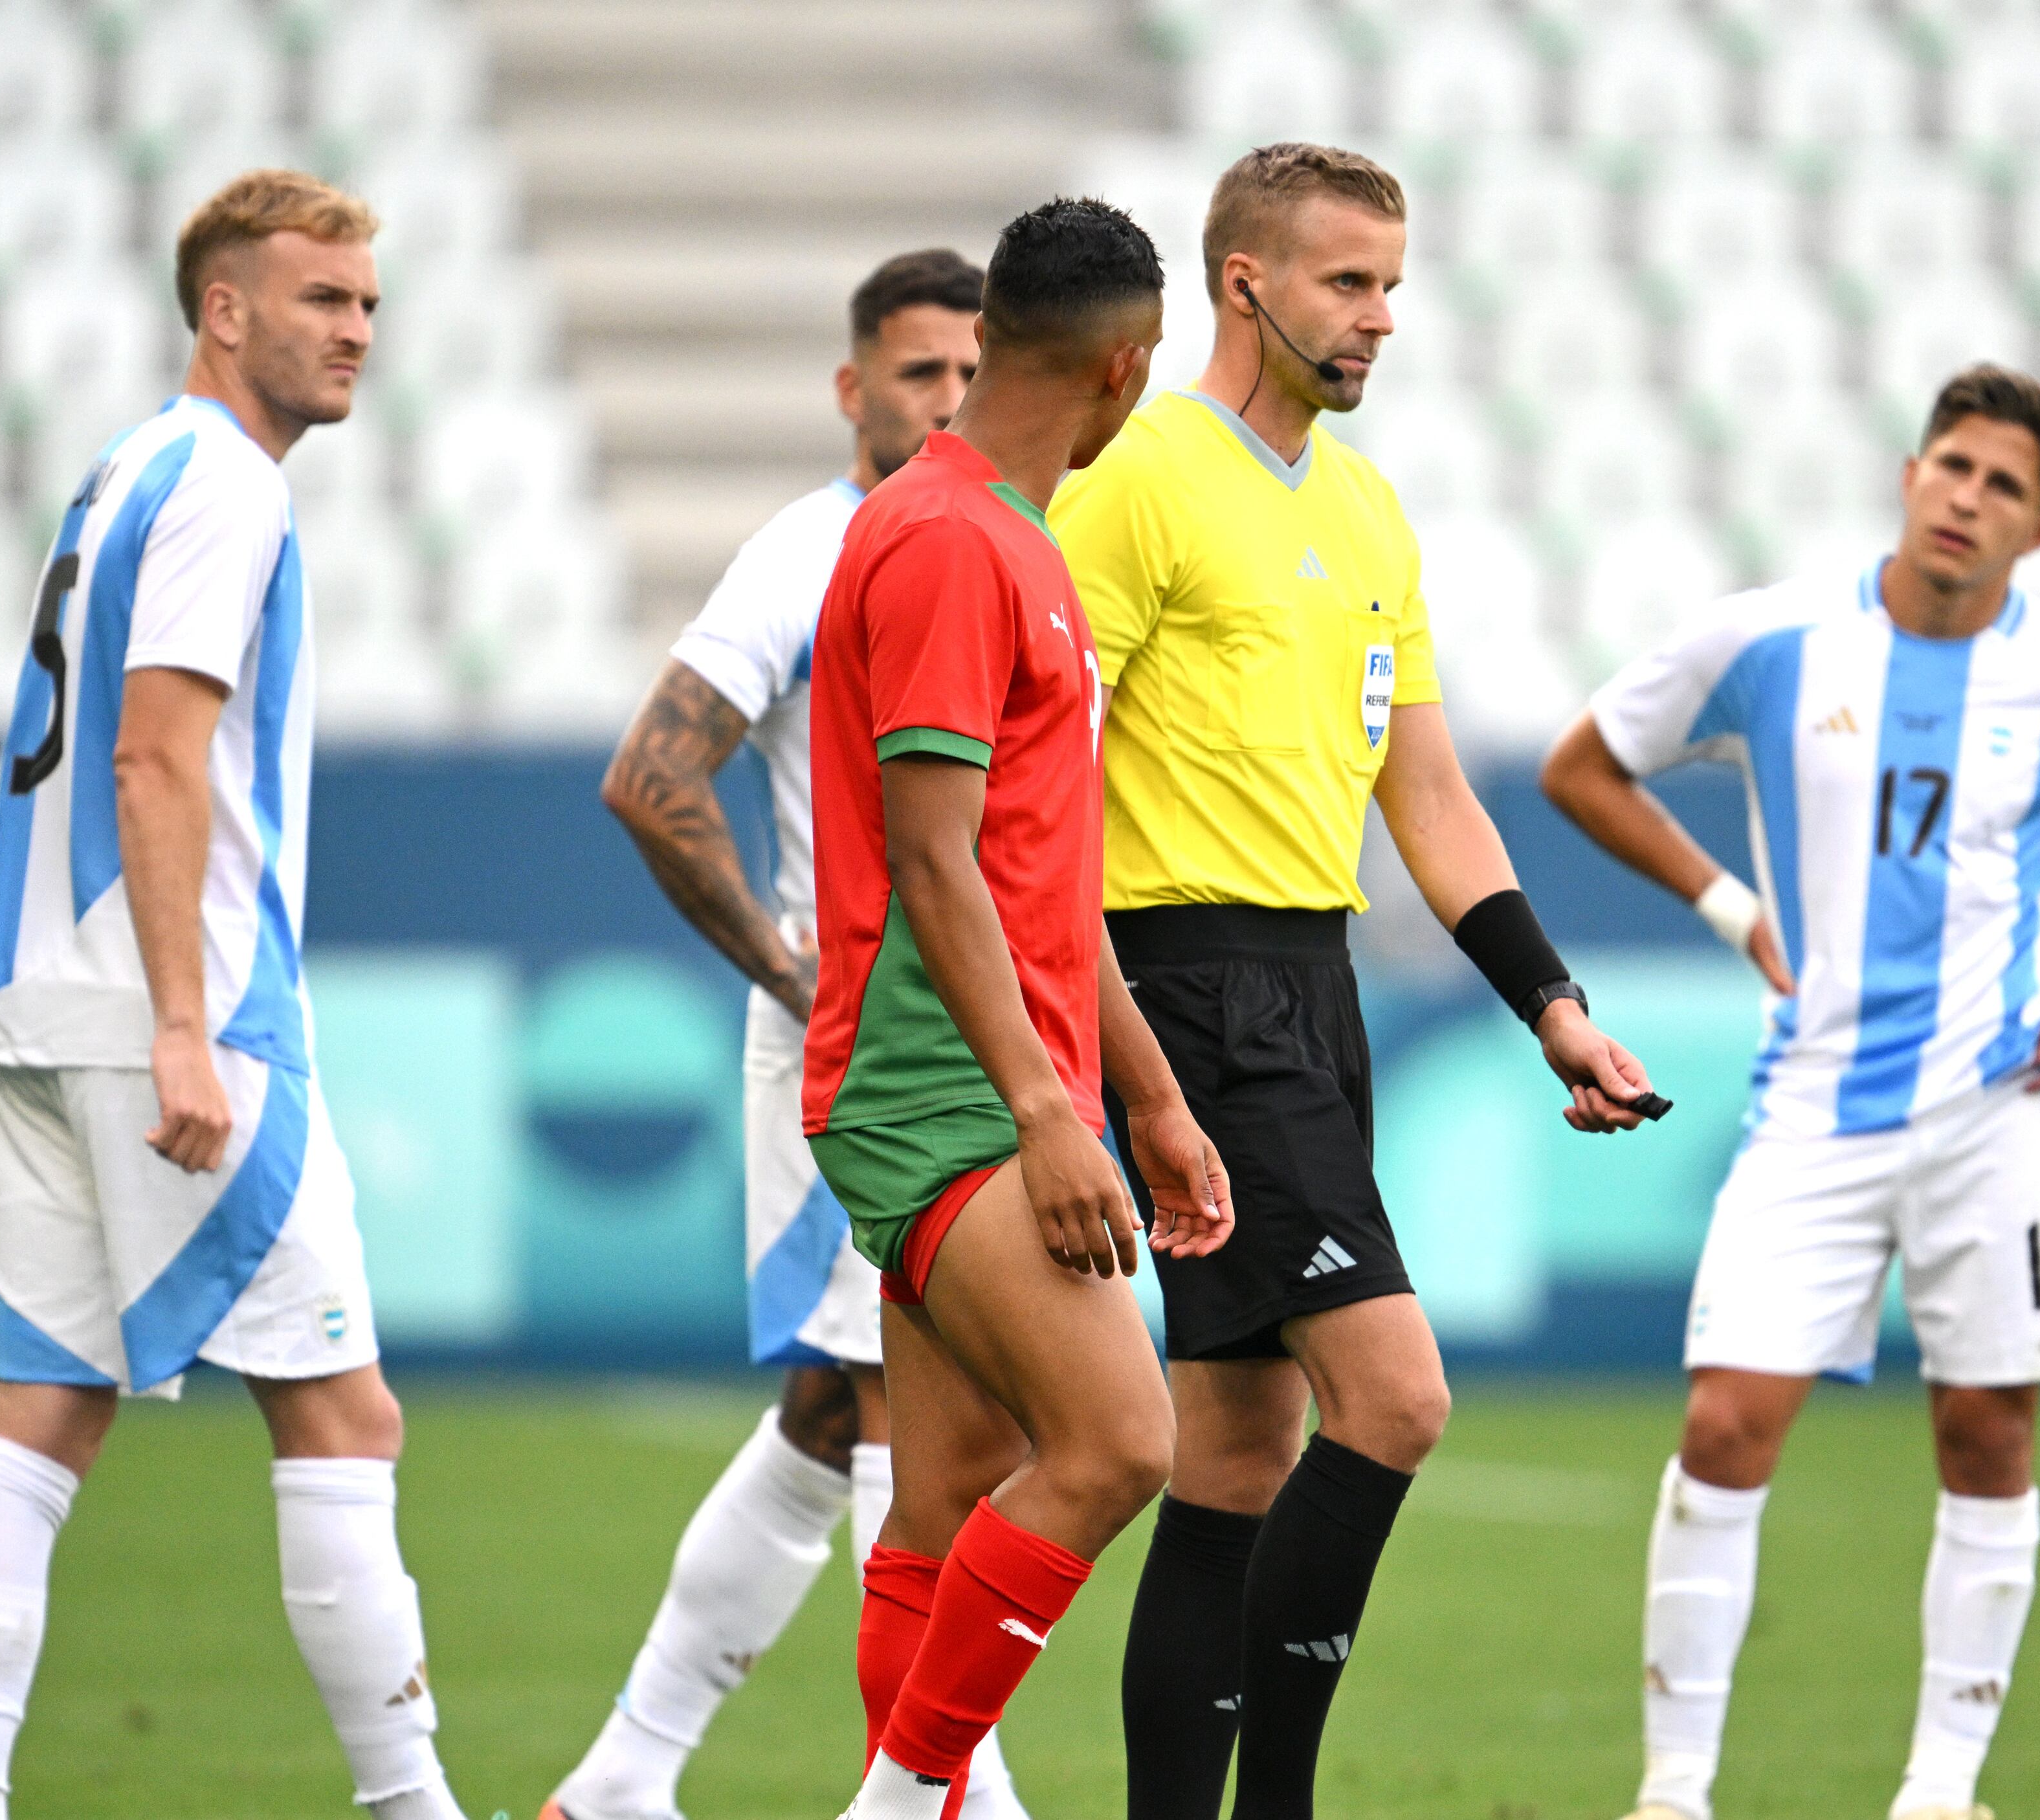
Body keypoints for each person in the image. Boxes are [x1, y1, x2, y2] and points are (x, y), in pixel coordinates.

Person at [1539, 365, 2040, 1820]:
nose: (1967, 500)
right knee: (1725, 1425)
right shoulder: (1776, 641)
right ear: (1911, 474)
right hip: (1812, 1103)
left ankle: (1941, 1789)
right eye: (1953, 467)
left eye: (2004, 488)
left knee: (1987, 1433)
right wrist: (1732, 905)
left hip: (2001, 1110)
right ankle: (1673, 1791)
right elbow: (1585, 766)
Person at [1049, 142, 1660, 1820]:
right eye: (1347, 281)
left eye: (1392, 283)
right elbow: (1049, 778)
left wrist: (1550, 1004)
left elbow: (1431, 795)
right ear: (1244, 282)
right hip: (1188, 983)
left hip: (1312, 986)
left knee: (1239, 1450)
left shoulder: (1368, 508)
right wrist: (1114, 1051)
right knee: (1395, 1396)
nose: (1382, 315)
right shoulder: (1137, 480)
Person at [0, 171, 477, 1820]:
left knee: (43, 1408)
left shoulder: (128, 465)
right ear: (223, 310)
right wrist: (182, 1021)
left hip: (31, 994)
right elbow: (153, 755)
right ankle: (414, 1805)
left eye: (367, 302)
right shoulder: (230, 484)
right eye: (322, 298)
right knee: (345, 1414)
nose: (356, 330)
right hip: (175, 1008)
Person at [548, 247, 1030, 1820]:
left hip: (970, 1039)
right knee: (917, 1410)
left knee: (837, 1413)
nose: (947, 398)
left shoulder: (1007, 536)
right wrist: (787, 967)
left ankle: (622, 1778)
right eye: (917, 372)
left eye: (971, 371)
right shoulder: (811, 552)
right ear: (851, 387)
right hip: (872, 1052)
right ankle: (955, 1794)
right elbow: (652, 774)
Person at [804, 196, 1232, 1820]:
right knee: (1120, 1440)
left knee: (946, 1500)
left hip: (986, 1076)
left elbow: (1037, 878)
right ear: (1128, 368)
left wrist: (1150, 1094)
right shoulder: (950, 542)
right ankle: (899, 1805)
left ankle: (917, 1799)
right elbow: (932, 857)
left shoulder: (1000, 535)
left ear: (992, 334)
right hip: (941, 1087)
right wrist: (1052, 1116)